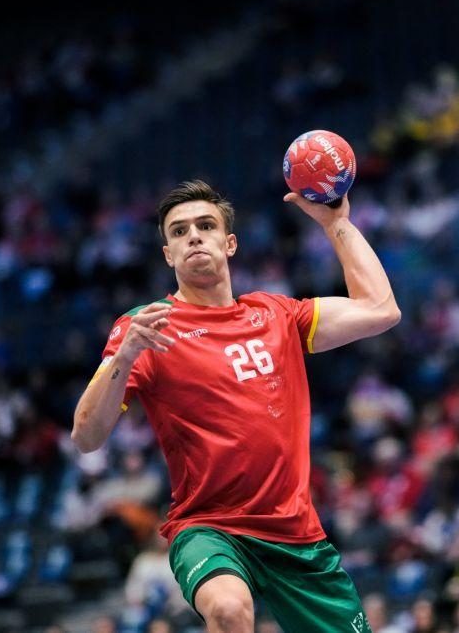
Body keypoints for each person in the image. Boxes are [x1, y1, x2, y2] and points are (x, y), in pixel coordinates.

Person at [72, 180, 400, 632]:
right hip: (209, 528)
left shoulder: (277, 315)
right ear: (168, 254)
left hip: (295, 535)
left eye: (205, 226)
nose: (193, 236)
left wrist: (338, 223)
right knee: (228, 609)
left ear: (229, 244)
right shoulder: (145, 328)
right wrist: (125, 356)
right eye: (179, 231)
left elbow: (381, 310)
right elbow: (86, 436)